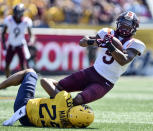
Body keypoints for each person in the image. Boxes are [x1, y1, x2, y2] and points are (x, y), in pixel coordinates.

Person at [46, 11, 146, 106]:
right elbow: (82, 42)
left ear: (134, 28)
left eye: (127, 26)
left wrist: (109, 45)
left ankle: (63, 111)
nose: (124, 28)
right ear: (118, 23)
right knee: (56, 86)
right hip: (92, 72)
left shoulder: (135, 44)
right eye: (123, 24)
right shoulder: (107, 32)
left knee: (78, 99)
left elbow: (123, 60)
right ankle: (58, 108)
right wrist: (95, 41)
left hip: (106, 81)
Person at [0, 69, 94, 128]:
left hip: (23, 107)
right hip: (28, 122)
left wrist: (59, 85)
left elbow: (44, 81)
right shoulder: (69, 125)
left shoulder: (64, 101)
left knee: (30, 72)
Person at [1, 3, 33, 77]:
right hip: (11, 44)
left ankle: (24, 81)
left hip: (20, 44)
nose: (17, 15)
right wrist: (4, 44)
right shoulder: (9, 19)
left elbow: (30, 34)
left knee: (23, 64)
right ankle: (8, 80)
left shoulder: (26, 21)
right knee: (7, 63)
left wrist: (30, 41)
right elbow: (3, 33)